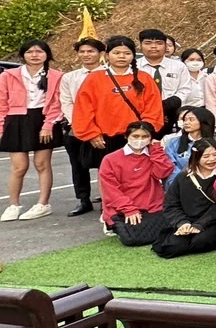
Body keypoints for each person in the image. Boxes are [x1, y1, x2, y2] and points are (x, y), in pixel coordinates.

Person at [71, 36, 166, 158]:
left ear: (133, 56)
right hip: (104, 139)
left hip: (137, 137)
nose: (122, 56)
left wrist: (145, 130)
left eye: (127, 53)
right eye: (116, 53)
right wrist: (91, 133)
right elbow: (83, 108)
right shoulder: (94, 78)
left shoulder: (144, 78)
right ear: (107, 55)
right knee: (107, 169)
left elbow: (154, 107)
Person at [0, 39, 60, 221]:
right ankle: (13, 205)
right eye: (30, 52)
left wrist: (48, 125)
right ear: (23, 55)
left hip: (43, 119)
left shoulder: (57, 76)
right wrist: (1, 127)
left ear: (47, 55)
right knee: (19, 166)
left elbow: (57, 103)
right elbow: (2, 103)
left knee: (42, 164)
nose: (35, 55)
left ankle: (43, 204)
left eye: (39, 51)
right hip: (16, 120)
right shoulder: (8, 75)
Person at [97, 121, 175, 245]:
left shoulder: (153, 155)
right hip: (123, 208)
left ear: (150, 138)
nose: (140, 140)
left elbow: (162, 173)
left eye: (145, 137)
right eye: (135, 136)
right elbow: (111, 191)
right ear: (126, 136)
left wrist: (156, 150)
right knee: (133, 238)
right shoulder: (110, 159)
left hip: (154, 207)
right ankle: (111, 224)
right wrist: (129, 209)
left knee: (171, 229)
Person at [58, 36, 106, 216]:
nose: (86, 55)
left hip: (104, 127)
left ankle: (107, 201)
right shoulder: (70, 77)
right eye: (82, 52)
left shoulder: (109, 74)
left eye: (91, 51)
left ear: (101, 53)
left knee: (105, 164)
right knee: (78, 165)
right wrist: (78, 123)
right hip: (77, 127)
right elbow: (66, 102)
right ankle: (83, 199)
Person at [136, 28, 187, 129]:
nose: (153, 46)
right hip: (141, 113)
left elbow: (185, 89)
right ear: (140, 45)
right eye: (148, 43)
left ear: (165, 45)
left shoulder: (179, 66)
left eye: (159, 43)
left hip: (171, 113)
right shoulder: (133, 67)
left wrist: (170, 103)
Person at [164, 107, 216, 184]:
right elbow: (171, 167)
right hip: (180, 183)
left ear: (204, 121)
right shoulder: (172, 142)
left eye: (191, 120)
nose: (186, 123)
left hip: (210, 183)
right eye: (185, 120)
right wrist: (182, 182)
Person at [173, 47, 216, 123]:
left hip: (204, 113)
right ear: (183, 61)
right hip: (184, 113)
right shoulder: (179, 78)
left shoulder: (208, 77)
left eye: (199, 60)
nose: (195, 62)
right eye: (191, 60)